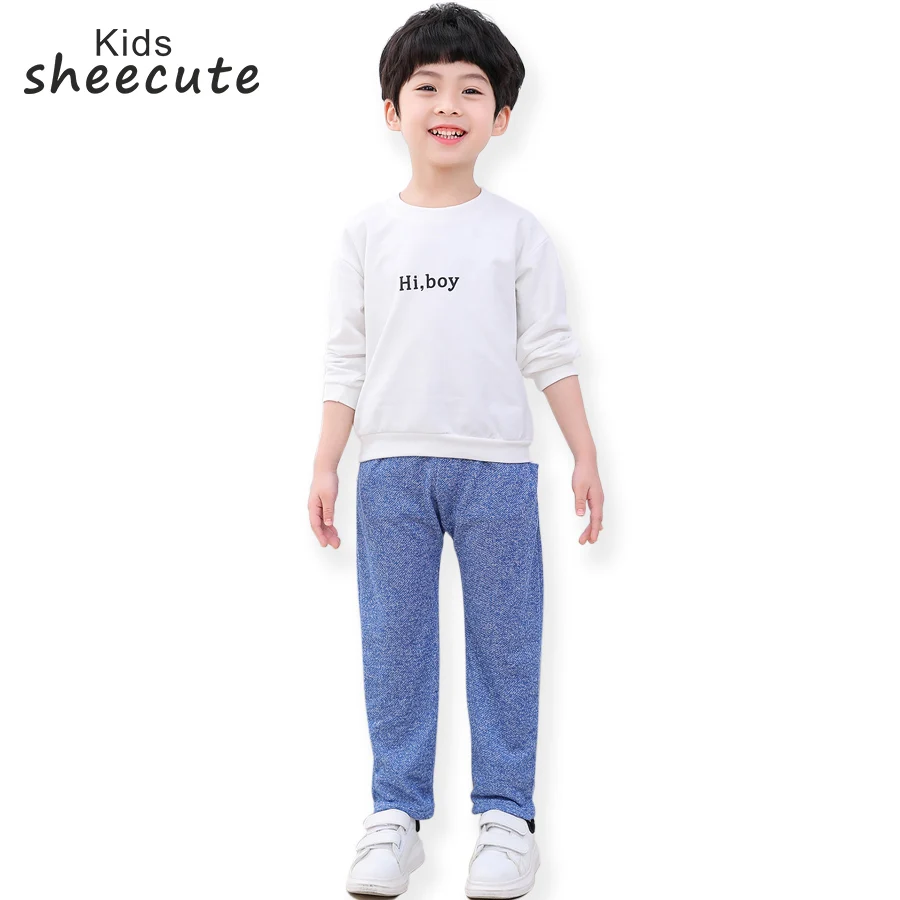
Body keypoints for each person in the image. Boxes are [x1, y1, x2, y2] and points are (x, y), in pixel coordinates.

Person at [309, 3, 604, 896]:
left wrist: (585, 454)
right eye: (427, 86)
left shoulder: (517, 233)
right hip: (390, 469)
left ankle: (507, 818)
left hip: (498, 472)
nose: (449, 103)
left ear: (501, 117)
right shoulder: (366, 235)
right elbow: (346, 357)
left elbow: (549, 349)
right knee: (393, 645)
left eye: (472, 90)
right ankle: (394, 815)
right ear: (391, 110)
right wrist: (325, 461)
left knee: (506, 646)